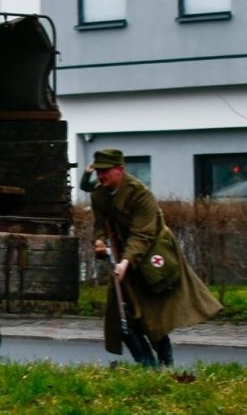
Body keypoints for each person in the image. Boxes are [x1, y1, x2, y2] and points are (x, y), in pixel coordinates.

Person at [84, 149, 221, 367]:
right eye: (99, 172)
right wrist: (99, 242)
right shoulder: (99, 194)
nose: (101, 176)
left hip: (153, 256)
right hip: (122, 255)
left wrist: (125, 262)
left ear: (120, 170)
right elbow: (100, 225)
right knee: (121, 314)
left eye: (106, 171)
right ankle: (146, 364)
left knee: (152, 315)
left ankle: (165, 361)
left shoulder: (140, 193)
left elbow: (142, 234)